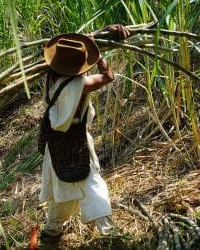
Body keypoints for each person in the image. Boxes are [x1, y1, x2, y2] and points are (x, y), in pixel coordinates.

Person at [39, 24, 131, 240]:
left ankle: (52, 232)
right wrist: (98, 55)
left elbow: (67, 50)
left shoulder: (49, 75)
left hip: (55, 144)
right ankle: (109, 235)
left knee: (62, 188)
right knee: (93, 185)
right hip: (75, 143)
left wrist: (96, 36)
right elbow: (108, 76)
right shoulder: (81, 84)